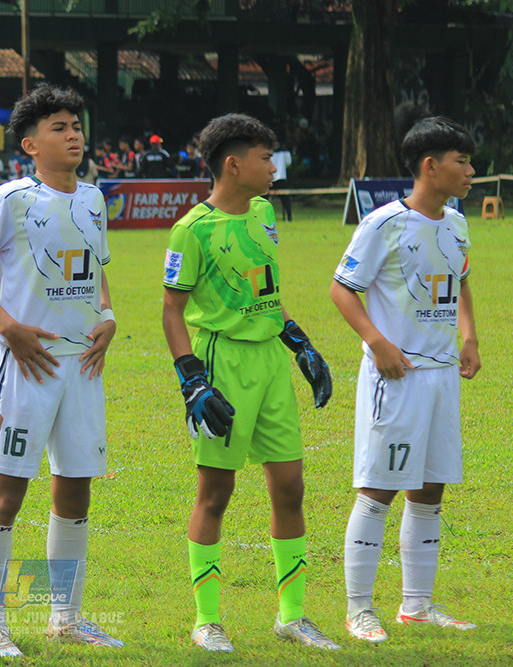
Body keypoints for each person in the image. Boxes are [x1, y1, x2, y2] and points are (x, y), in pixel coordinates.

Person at [161, 113, 338, 653]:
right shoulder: (192, 230)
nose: (273, 166)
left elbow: (266, 292)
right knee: (216, 493)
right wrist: (192, 378)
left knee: (290, 486)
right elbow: (172, 310)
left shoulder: (264, 213)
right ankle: (207, 620)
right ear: (234, 165)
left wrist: (299, 342)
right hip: (223, 364)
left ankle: (292, 616)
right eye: (265, 157)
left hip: (270, 365)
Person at [0, 83, 121, 657]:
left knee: (75, 489)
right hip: (25, 367)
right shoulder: (11, 199)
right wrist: (8, 326)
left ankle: (65, 617)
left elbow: (97, 271)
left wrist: (107, 315)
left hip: (82, 365)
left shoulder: (93, 198)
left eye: (76, 125)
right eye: (58, 127)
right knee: (7, 491)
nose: (73, 134)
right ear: (30, 144)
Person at [331, 116, 479, 643]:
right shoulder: (382, 224)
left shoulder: (457, 221)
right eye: (461, 161)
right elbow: (342, 289)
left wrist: (469, 337)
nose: (470, 170)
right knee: (378, 490)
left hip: (441, 377)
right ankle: (358, 609)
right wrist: (376, 341)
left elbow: (460, 279)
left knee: (430, 488)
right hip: (396, 377)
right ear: (429, 166)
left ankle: (417, 606)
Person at [270, 145, 293, 222]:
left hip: (269, 176)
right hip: (280, 176)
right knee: (285, 198)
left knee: (263, 198)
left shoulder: (266, 148)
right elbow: (288, 162)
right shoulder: (284, 151)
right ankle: (289, 216)